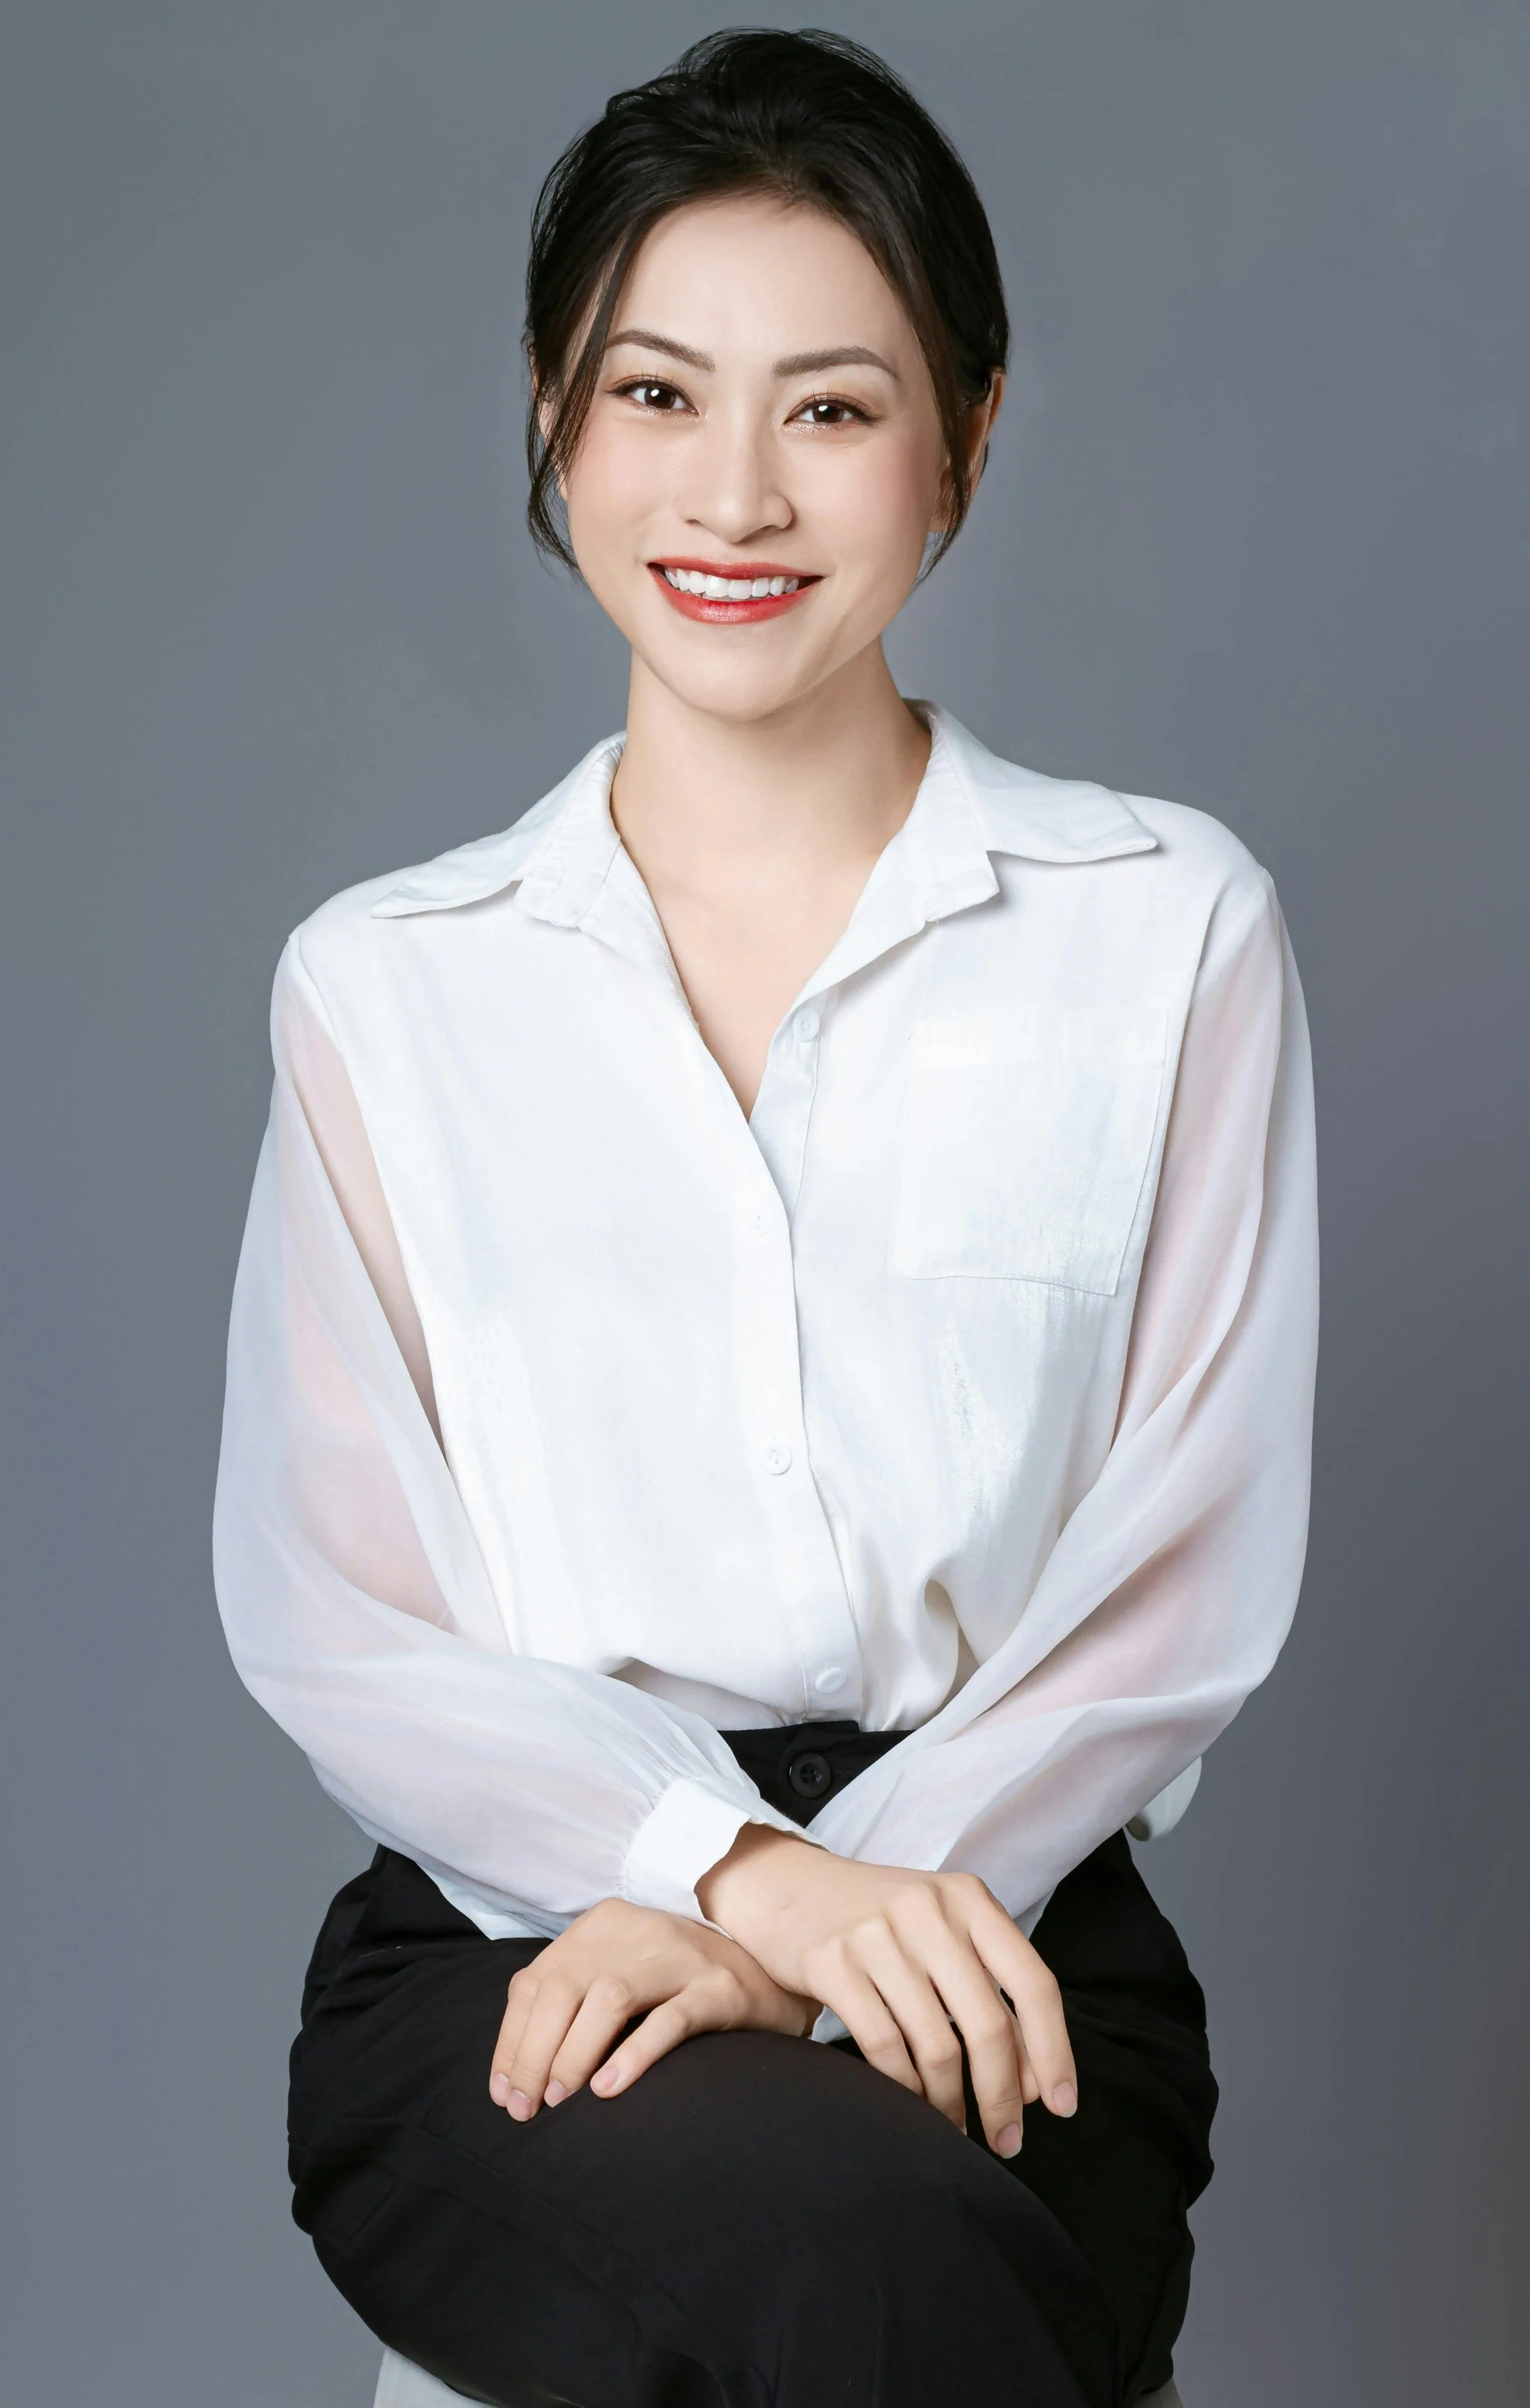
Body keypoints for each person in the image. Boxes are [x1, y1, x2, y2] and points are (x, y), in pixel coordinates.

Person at [213, 29, 1317, 2408]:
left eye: (828, 406)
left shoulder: (1163, 935)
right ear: (550, 418)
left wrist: (830, 1915)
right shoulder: (389, 990)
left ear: (967, 442)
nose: (733, 488)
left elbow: (1175, 1588)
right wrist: (724, 1885)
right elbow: (339, 1612)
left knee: (886, 2258)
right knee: (873, 2286)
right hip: (527, 1940)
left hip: (1005, 1937)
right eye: (652, 391)